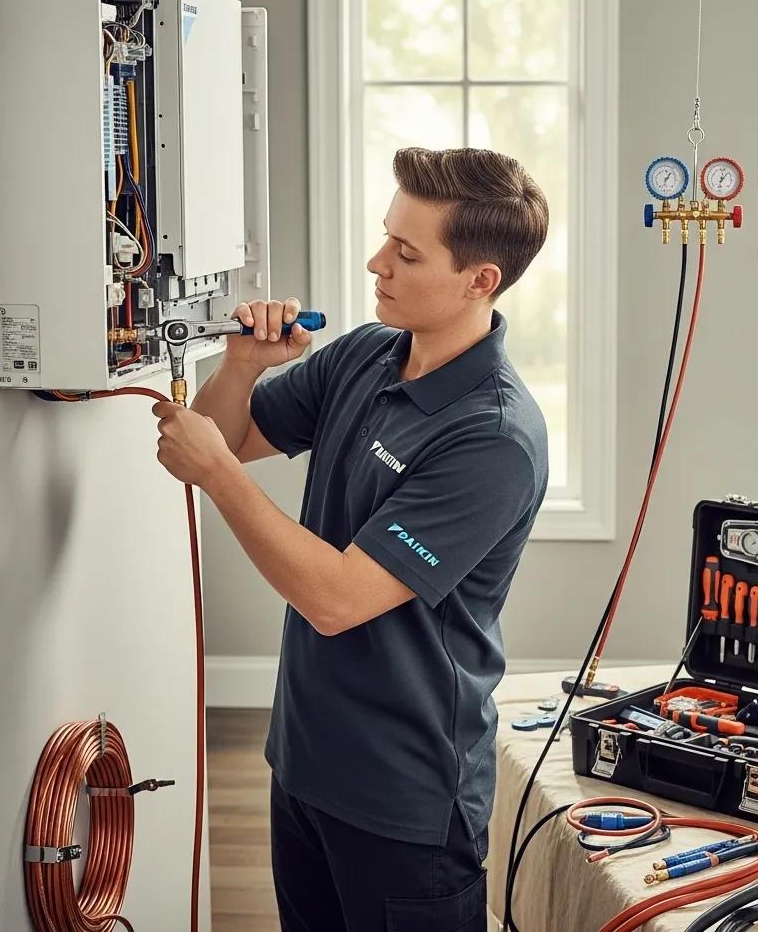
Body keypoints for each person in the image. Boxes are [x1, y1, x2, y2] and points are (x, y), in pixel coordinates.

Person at [152, 146, 550, 931]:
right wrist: (239, 367)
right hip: (303, 760)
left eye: (406, 253)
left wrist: (218, 478)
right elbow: (226, 439)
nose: (378, 264)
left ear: (481, 281)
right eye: (384, 239)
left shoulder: (493, 437)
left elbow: (336, 599)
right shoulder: (368, 354)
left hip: (403, 800)